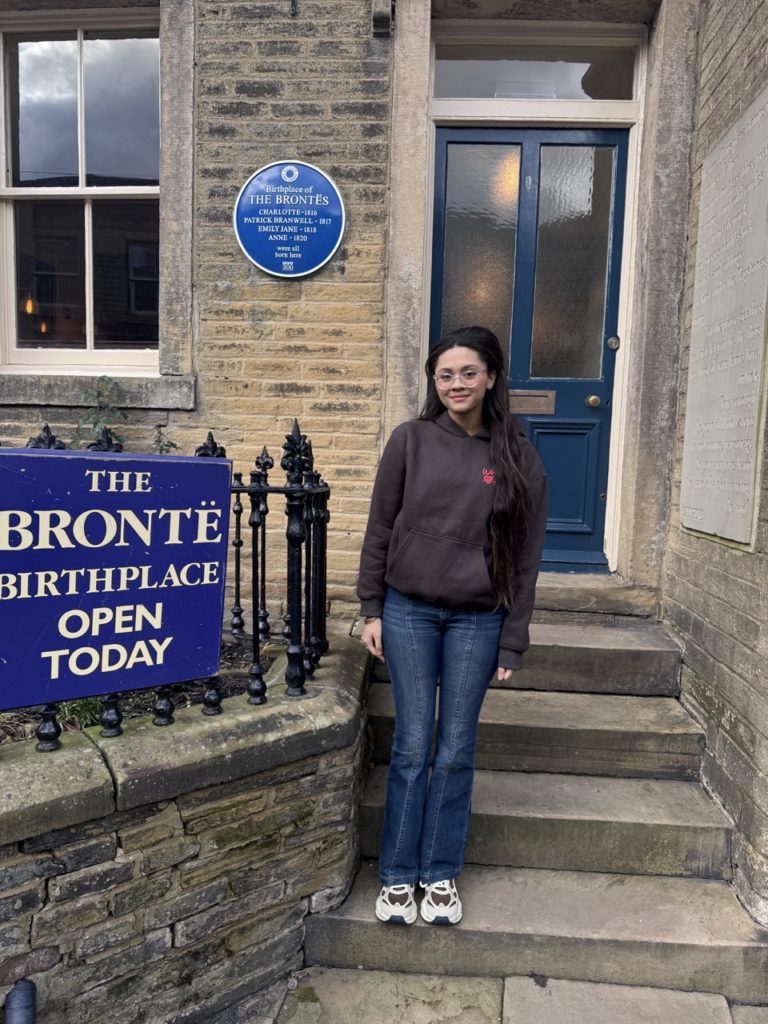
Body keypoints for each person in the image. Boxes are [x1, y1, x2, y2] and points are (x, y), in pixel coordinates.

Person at [357, 325, 548, 926]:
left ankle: (439, 875)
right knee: (412, 747)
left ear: (491, 376)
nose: (456, 384)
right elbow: (381, 527)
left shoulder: (517, 454)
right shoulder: (410, 440)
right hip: (409, 610)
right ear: (433, 382)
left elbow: (526, 557)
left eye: (468, 372)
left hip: (478, 619)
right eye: (445, 374)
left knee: (456, 748)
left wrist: (513, 636)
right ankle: (396, 877)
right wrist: (371, 608)